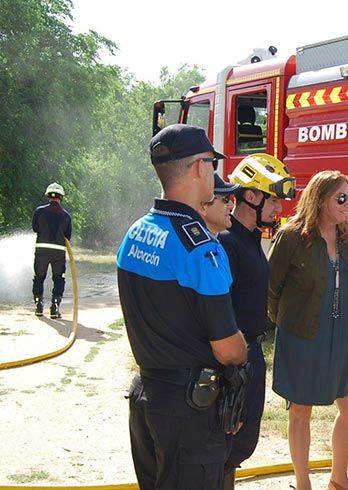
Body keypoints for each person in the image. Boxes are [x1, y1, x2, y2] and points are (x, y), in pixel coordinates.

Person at [117, 124, 248, 490]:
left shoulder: (135, 232)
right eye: (211, 162)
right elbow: (226, 347)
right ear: (197, 168)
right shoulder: (201, 249)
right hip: (189, 410)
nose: (214, 172)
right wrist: (243, 350)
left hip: (146, 394)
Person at [267, 170, 348, 490]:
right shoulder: (292, 236)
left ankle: (338, 477)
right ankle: (303, 482)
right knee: (300, 410)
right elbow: (272, 288)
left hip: (341, 334)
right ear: (320, 200)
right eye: (341, 198)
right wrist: (285, 323)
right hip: (302, 333)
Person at [220, 153, 296, 489]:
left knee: (240, 444)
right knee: (226, 440)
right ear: (251, 196)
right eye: (274, 200)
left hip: (251, 354)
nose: (279, 209)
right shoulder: (227, 242)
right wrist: (230, 377)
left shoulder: (250, 239)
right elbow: (219, 312)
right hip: (234, 359)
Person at [32, 182, 72, 319]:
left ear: (48, 196)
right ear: (61, 197)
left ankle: (38, 305)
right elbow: (68, 236)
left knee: (39, 277)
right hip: (58, 253)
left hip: (41, 251)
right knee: (58, 279)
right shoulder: (66, 216)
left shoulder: (39, 211)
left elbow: (35, 228)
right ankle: (55, 307)